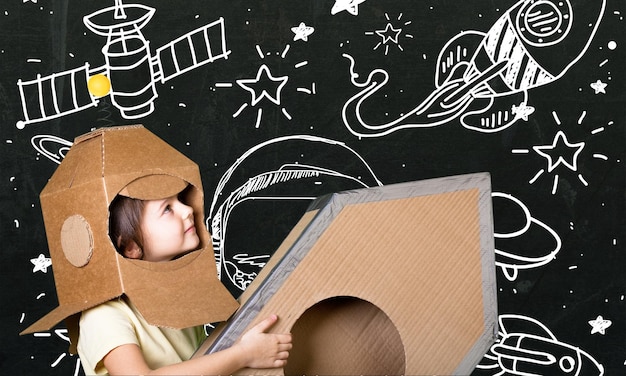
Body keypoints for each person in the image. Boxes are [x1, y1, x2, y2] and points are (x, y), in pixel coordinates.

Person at [77, 187, 292, 375]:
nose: (188, 209)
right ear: (132, 246)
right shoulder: (102, 315)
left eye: (179, 200)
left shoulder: (177, 294)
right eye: (167, 209)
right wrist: (243, 355)